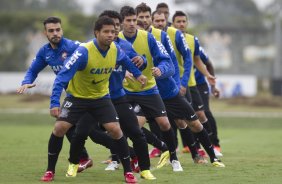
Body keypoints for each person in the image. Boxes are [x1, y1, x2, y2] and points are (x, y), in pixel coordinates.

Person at [50, 16, 147, 183]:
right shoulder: (83, 51)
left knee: (115, 130)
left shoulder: (115, 49)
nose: (110, 35)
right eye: (106, 32)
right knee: (60, 128)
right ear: (97, 33)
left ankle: (128, 172)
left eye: (113, 32)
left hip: (101, 98)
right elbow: (61, 78)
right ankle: (51, 171)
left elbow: (126, 61)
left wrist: (138, 74)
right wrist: (54, 103)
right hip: (77, 98)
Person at [16, 16, 93, 182]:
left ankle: (130, 156)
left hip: (92, 96)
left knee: (99, 134)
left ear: (62, 30)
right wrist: (26, 82)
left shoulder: (73, 47)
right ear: (45, 33)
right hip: (73, 97)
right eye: (51, 31)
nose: (55, 33)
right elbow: (33, 70)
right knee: (61, 128)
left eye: (58, 29)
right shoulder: (45, 52)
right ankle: (52, 170)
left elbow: (92, 52)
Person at [135, 3, 208, 164]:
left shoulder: (170, 35)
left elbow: (180, 59)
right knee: (150, 122)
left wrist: (180, 82)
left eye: (163, 18)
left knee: (182, 121)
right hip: (148, 88)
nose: (159, 22)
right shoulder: (135, 36)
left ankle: (196, 153)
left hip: (173, 84)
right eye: (144, 17)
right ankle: (165, 150)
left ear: (167, 19)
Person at [119, 6, 183, 172]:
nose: (133, 24)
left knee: (164, 123)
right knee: (125, 127)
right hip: (125, 92)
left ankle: (173, 158)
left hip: (148, 89)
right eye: (129, 21)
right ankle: (130, 160)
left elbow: (167, 62)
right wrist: (121, 72)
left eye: (135, 20)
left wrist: (160, 69)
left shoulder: (149, 38)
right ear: (121, 23)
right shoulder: (115, 40)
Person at [172, 10, 222, 157]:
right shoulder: (167, 38)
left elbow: (198, 60)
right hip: (175, 84)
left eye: (183, 21)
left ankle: (213, 144)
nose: (181, 24)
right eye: (178, 22)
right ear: (173, 24)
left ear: (187, 23)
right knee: (183, 119)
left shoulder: (192, 40)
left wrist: (208, 75)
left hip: (191, 84)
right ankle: (193, 148)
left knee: (201, 114)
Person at [196, 46, 223, 155]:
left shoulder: (195, 45)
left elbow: (209, 64)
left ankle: (215, 144)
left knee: (205, 112)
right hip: (183, 85)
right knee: (189, 115)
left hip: (199, 85)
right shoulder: (169, 44)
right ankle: (197, 147)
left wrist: (213, 86)